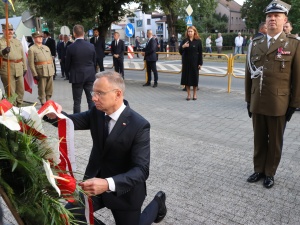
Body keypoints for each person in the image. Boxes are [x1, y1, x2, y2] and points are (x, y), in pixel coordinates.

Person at [46, 71, 167, 225]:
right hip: (93, 185)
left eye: (99, 93)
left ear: (117, 94)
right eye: (93, 92)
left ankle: (158, 203)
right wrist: (52, 114)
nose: (93, 97)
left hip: (124, 192)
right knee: (67, 216)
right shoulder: (96, 113)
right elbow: (68, 122)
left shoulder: (139, 125)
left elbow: (141, 170)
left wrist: (108, 183)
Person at [245, 0, 300, 189]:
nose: (272, 19)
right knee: (259, 138)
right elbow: (248, 74)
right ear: (265, 20)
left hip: (279, 102)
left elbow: (297, 78)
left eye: (276, 16)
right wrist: (248, 99)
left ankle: (270, 172)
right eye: (269, 16)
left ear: (284, 19)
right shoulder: (255, 43)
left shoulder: (292, 44)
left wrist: (294, 103)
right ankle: (258, 169)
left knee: (275, 141)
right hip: (258, 100)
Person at [65, 24, 96, 113]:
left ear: (74, 34)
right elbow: (94, 62)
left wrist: (68, 74)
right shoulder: (91, 46)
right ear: (83, 33)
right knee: (91, 100)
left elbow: (67, 64)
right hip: (90, 76)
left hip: (76, 77)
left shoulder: (70, 47)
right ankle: (92, 119)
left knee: (77, 101)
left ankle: (77, 120)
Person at [0, 23, 27, 107]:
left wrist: (25, 67)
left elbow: (22, 55)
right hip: (7, 67)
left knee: (20, 90)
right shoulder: (1, 41)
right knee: (10, 92)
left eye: (11, 30)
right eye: (8, 30)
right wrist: (3, 51)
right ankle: (12, 109)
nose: (10, 32)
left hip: (19, 67)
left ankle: (19, 107)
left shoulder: (17, 41)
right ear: (3, 30)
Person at [28, 31, 55, 106]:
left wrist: (53, 70)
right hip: (41, 72)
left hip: (49, 70)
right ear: (34, 38)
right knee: (42, 89)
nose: (40, 38)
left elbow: (51, 59)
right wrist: (34, 74)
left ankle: (48, 101)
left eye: (41, 37)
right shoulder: (32, 49)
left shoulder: (46, 47)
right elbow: (31, 63)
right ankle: (43, 103)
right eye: (38, 37)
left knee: (50, 88)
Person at [179, 26, 203, 101]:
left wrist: (200, 63)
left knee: (194, 79)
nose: (190, 33)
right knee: (187, 79)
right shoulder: (185, 40)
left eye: (191, 31)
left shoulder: (198, 41)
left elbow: (200, 53)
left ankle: (194, 94)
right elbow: (180, 51)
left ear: (194, 32)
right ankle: (188, 94)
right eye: (188, 31)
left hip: (195, 63)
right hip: (186, 62)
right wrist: (183, 46)